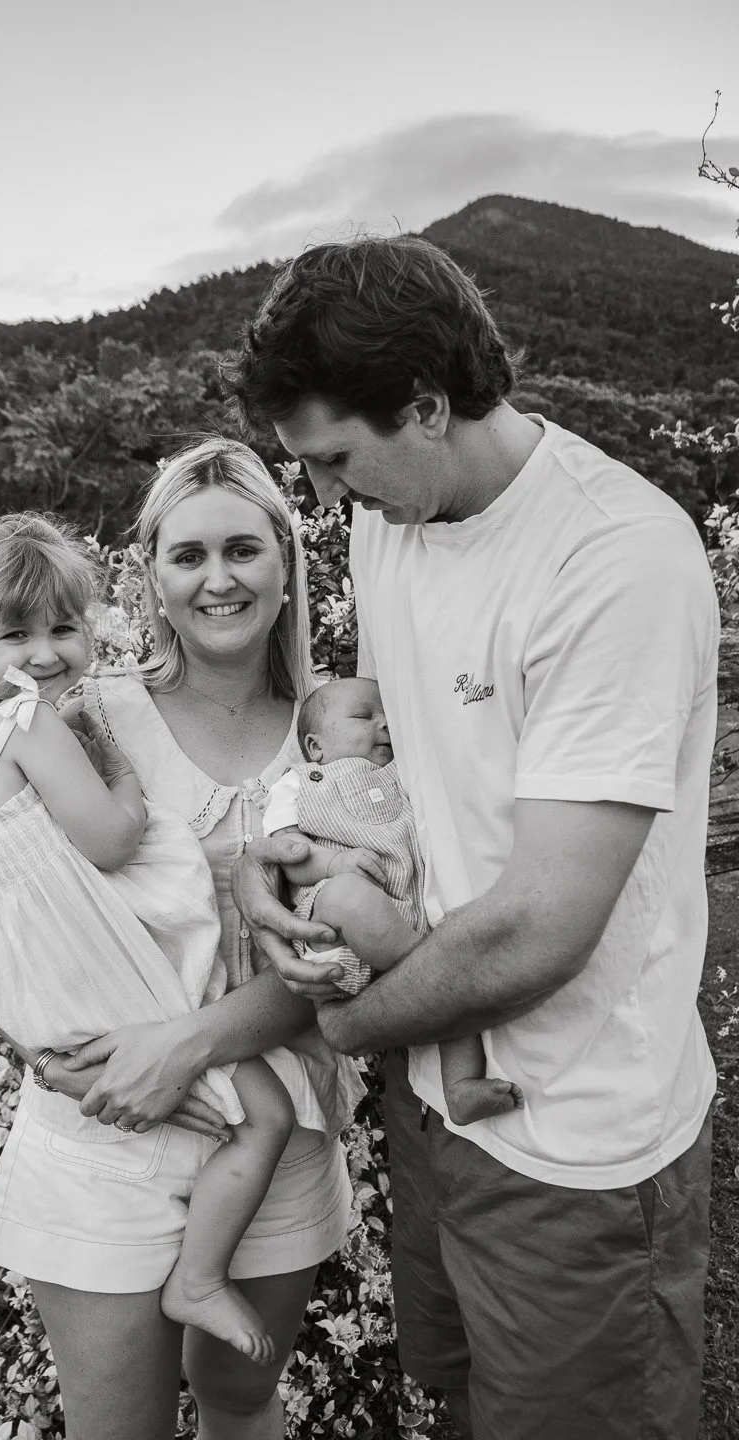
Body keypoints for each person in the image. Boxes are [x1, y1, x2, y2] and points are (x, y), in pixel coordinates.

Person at [225, 235, 719, 1440]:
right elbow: (401, 762)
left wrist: (342, 1020)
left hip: (575, 1135)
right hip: (439, 1080)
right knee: (460, 1402)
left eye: (337, 459)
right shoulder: (394, 518)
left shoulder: (612, 559)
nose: (328, 501)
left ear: (431, 406)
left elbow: (544, 928)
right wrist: (285, 854)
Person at [0, 441, 362, 1440]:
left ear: (288, 563)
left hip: (277, 1132)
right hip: (106, 1133)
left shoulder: (341, 726)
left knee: (240, 1399)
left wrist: (189, 1044)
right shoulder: (91, 712)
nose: (219, 578)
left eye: (246, 549)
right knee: (117, 1424)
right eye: (188, 555)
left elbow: (361, 943)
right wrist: (40, 1044)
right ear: (150, 574)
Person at [266, 675, 523, 1126]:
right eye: (365, 717)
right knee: (363, 906)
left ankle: (460, 1088)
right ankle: (427, 977)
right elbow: (289, 855)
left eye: (388, 718)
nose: (383, 725)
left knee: (448, 968)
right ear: (315, 745)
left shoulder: (402, 773)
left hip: (405, 921)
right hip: (335, 930)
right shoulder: (299, 783)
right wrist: (333, 866)